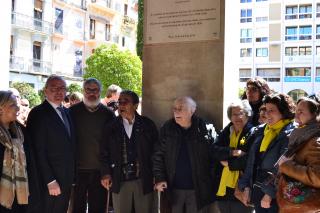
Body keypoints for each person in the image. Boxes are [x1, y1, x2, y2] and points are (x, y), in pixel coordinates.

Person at [153, 96, 217, 213]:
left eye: (180, 108)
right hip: (173, 189)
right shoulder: (167, 128)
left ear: (192, 110)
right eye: (175, 108)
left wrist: (209, 180)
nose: (176, 111)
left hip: (198, 191)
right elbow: (158, 155)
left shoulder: (205, 128)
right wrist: (159, 178)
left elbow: (214, 155)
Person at [100, 90, 158, 213]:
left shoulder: (148, 125)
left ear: (136, 105)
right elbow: (103, 152)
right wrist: (105, 173)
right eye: (119, 102)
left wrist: (157, 175)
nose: (121, 105)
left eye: (125, 102)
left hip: (143, 179)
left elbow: (156, 152)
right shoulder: (111, 126)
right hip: (119, 179)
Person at [237, 93, 296, 213]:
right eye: (266, 109)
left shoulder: (290, 134)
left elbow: (283, 168)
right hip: (258, 191)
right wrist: (246, 186)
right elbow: (252, 161)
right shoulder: (262, 130)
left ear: (283, 111)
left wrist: (269, 193)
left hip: (276, 195)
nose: (267, 114)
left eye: (272, 110)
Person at [27, 75, 75, 213]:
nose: (58, 92)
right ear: (45, 91)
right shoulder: (38, 113)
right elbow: (37, 150)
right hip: (49, 181)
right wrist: (50, 180)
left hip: (66, 178)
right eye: (54, 88)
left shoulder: (67, 112)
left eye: (62, 88)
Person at [70, 78, 115, 213]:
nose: (91, 93)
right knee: (77, 208)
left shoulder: (108, 114)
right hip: (77, 172)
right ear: (83, 91)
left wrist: (107, 172)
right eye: (88, 89)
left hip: (99, 172)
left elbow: (112, 145)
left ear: (100, 92)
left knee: (99, 208)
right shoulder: (72, 112)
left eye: (95, 90)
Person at [277, 97, 320, 212]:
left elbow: (317, 176)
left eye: (301, 112)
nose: (296, 115)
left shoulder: (315, 140)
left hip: (307, 208)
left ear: (314, 114)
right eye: (296, 111)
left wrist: (287, 166)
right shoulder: (300, 137)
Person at [212, 100, 255, 213]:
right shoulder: (227, 130)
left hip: (241, 187)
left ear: (247, 114)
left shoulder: (253, 132)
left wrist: (229, 163)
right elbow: (214, 150)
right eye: (234, 114)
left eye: (241, 113)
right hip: (223, 188)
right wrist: (233, 152)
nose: (237, 117)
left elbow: (249, 159)